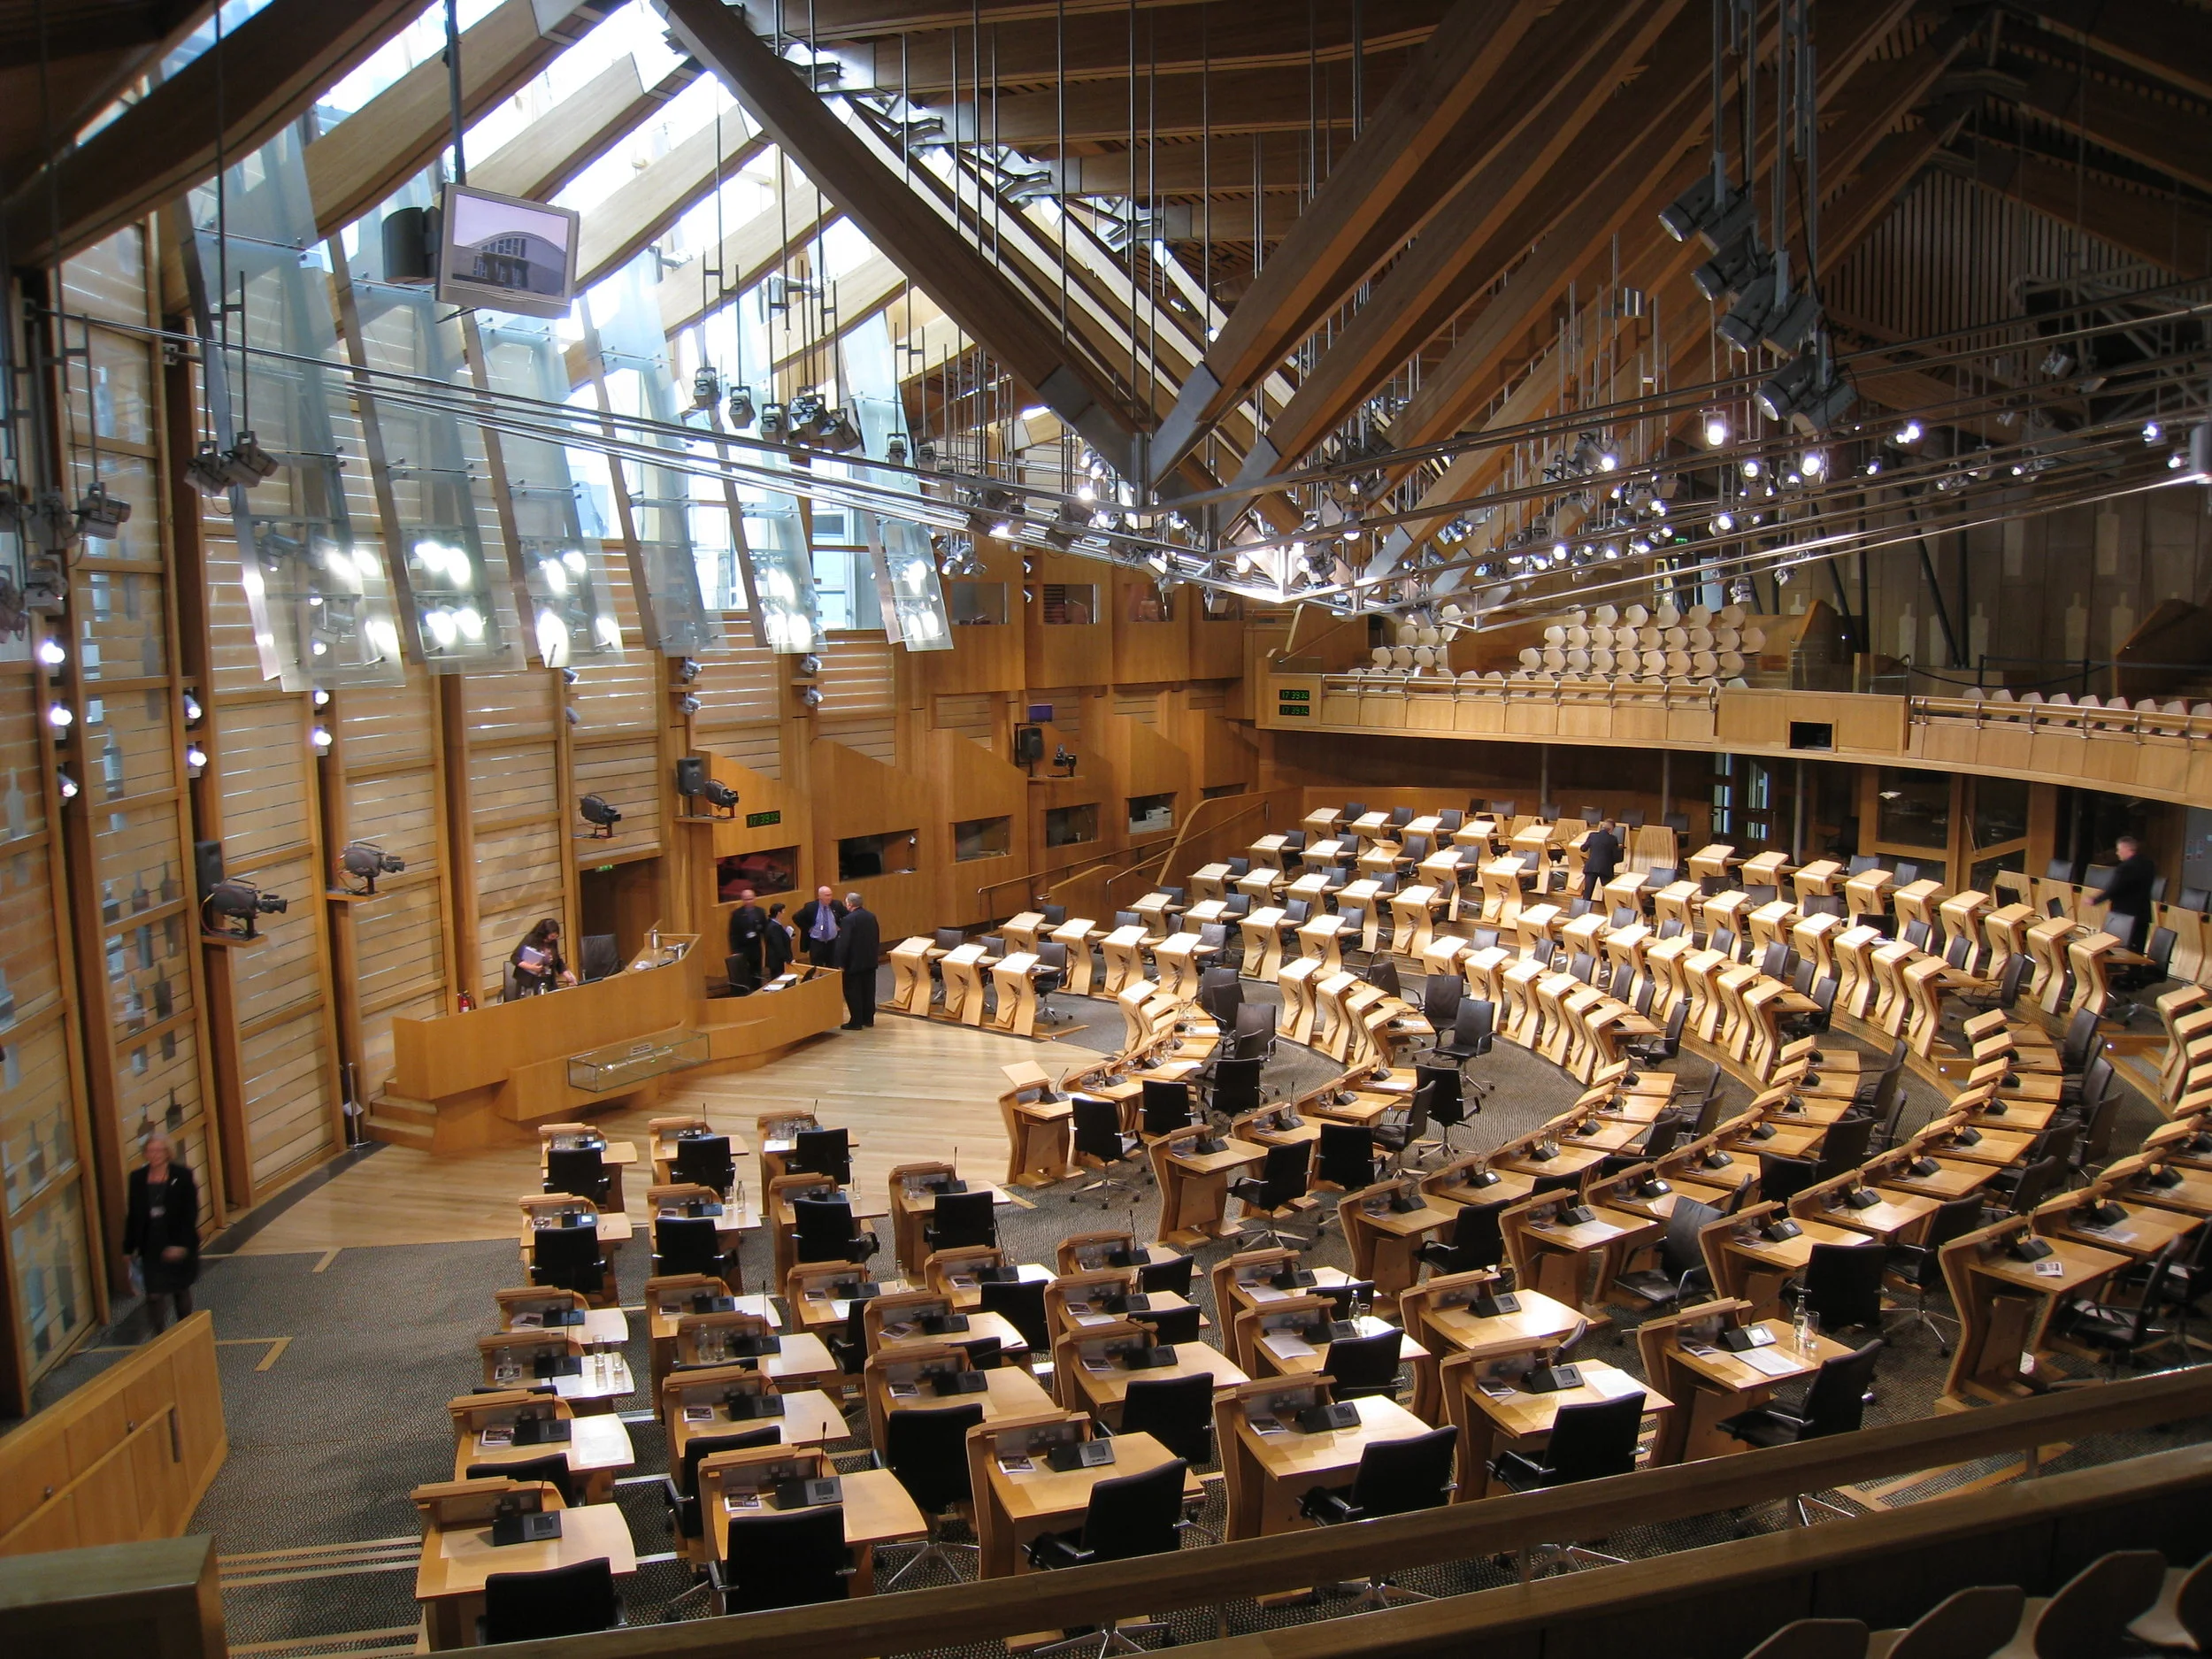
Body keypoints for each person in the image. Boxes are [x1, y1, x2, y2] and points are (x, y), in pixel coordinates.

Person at [123, 1132, 199, 1333]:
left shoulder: (182, 1176)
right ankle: (159, 1336)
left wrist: (180, 1245)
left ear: (167, 1153)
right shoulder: (137, 1178)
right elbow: (133, 1215)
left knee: (180, 1289)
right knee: (154, 1294)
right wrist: (128, 1248)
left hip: (177, 1240)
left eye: (159, 1150)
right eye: (150, 1151)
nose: (154, 1155)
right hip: (151, 1243)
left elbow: (190, 1212)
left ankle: (185, 1332)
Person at [2096, 835, 2159, 950]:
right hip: (2143, 915)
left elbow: (2114, 888)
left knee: (2119, 950)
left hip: (2124, 916)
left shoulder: (2125, 867)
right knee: (2137, 950)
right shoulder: (2149, 864)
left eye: (2119, 849)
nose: (2117, 853)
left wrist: (2095, 900)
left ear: (2127, 849)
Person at [837, 890, 881, 1029]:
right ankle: (868, 1019)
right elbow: (876, 937)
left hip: (853, 963)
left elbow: (844, 943)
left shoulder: (848, 920)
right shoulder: (871, 916)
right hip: (870, 961)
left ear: (850, 904)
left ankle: (856, 1021)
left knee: (853, 992)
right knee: (868, 991)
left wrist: (841, 963)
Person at [510, 918, 574, 995]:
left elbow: (557, 960)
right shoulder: (530, 939)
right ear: (544, 934)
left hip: (548, 980)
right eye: (552, 936)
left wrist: (568, 975)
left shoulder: (553, 941)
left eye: (556, 936)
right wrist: (531, 967)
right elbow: (515, 958)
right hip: (530, 982)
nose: (554, 939)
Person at [794, 886, 846, 969]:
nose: (830, 897)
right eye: (827, 895)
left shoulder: (837, 905)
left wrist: (840, 926)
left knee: (833, 967)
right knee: (817, 967)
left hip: (832, 942)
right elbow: (796, 917)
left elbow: (848, 916)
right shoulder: (811, 907)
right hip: (817, 942)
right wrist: (808, 928)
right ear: (820, 896)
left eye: (830, 895)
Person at [726, 887, 768, 989]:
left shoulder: (760, 912)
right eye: (746, 899)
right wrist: (734, 951)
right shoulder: (736, 914)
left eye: (751, 899)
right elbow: (733, 934)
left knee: (757, 972)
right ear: (743, 900)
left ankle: (757, 990)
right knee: (744, 974)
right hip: (742, 949)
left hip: (756, 948)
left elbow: (765, 930)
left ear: (755, 898)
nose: (749, 901)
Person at [1581, 817, 1624, 902]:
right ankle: (1608, 908)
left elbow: (1583, 848)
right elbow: (1616, 857)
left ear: (1602, 827)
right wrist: (1619, 850)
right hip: (1605, 868)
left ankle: (1583, 908)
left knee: (1587, 893)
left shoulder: (1592, 835)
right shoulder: (1613, 839)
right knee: (1608, 893)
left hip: (1591, 867)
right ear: (1611, 829)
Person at [763, 902, 795, 979]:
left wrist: (788, 938)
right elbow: (778, 946)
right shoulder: (774, 927)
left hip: (778, 961)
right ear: (778, 913)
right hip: (777, 962)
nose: (784, 913)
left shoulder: (773, 924)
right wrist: (788, 959)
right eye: (783, 911)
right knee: (779, 981)